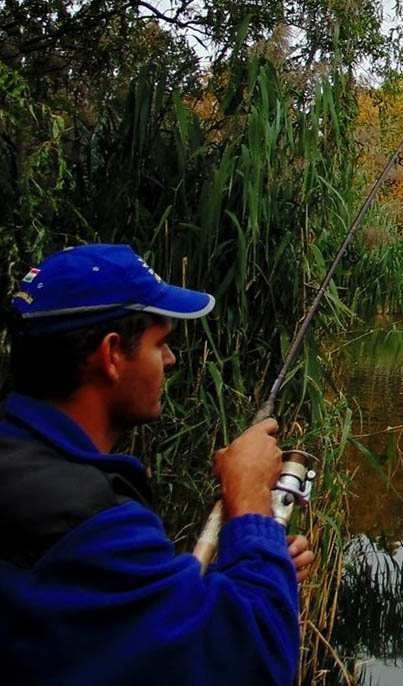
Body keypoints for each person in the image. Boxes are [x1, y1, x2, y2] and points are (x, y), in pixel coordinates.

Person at [0, 244, 314, 685]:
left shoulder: (24, 464)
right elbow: (253, 663)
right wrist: (248, 497)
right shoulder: (82, 523)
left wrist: (257, 565)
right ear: (111, 356)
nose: (170, 360)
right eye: (159, 343)